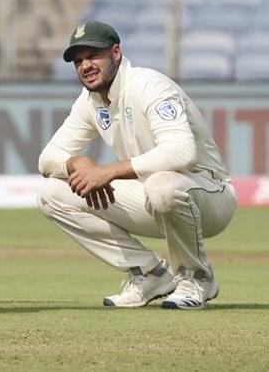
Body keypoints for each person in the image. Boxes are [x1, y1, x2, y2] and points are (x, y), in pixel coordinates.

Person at [37, 20, 238, 309]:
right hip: (152, 198)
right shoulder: (90, 100)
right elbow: (47, 157)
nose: (85, 66)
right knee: (50, 194)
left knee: (163, 184)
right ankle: (151, 273)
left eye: (93, 56)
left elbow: (182, 152)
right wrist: (75, 162)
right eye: (78, 61)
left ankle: (197, 277)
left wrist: (107, 171)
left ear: (116, 53)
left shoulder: (148, 85)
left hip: (208, 194)